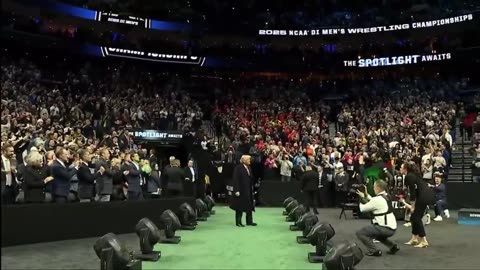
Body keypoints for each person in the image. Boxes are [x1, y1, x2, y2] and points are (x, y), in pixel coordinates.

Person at [355, 180, 400, 257]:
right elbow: (374, 201)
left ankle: (375, 251)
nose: (373, 188)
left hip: (384, 228)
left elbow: (362, 209)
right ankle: (393, 247)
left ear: (378, 188)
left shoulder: (378, 200)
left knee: (360, 233)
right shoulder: (387, 196)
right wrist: (366, 195)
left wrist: (362, 198)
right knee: (377, 234)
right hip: (392, 227)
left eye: (374, 187)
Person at [400, 162, 435, 248]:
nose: (400, 169)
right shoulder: (412, 175)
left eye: (401, 167)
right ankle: (414, 239)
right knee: (413, 217)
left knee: (416, 218)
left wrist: (412, 206)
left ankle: (423, 240)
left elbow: (413, 193)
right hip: (426, 195)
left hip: (423, 196)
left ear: (405, 169)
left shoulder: (409, 176)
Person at [230, 155, 257, 227]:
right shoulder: (238, 168)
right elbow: (235, 179)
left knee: (249, 205)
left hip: (248, 190)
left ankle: (249, 221)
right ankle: (238, 222)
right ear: (244, 160)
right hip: (241, 190)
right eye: (248, 160)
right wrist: (236, 190)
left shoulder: (249, 168)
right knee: (240, 206)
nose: (249, 161)